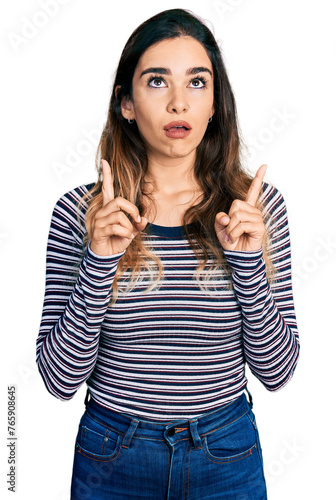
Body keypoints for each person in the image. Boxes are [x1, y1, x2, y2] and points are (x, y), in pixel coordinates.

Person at [36, 8, 300, 499]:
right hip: (113, 456)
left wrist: (245, 262)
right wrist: (98, 260)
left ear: (216, 103)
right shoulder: (81, 213)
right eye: (157, 81)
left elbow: (277, 370)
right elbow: (57, 379)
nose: (179, 102)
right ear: (127, 104)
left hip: (226, 453)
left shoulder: (255, 210)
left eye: (198, 83)